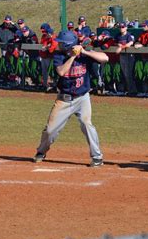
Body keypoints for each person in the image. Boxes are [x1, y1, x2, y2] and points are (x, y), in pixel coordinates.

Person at [33, 30, 109, 167]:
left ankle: (97, 157)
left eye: (62, 43)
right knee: (50, 130)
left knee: (87, 124)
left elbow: (105, 58)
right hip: (64, 99)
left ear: (69, 44)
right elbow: (61, 71)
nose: (59, 45)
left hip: (83, 98)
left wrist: (84, 52)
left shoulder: (84, 54)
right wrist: (73, 57)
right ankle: (41, 151)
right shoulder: (59, 56)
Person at [115, 22, 137, 96]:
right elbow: (115, 42)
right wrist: (118, 45)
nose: (121, 28)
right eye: (120, 27)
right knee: (124, 73)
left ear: (126, 28)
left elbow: (130, 43)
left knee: (129, 73)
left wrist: (121, 47)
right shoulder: (118, 35)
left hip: (129, 56)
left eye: (123, 27)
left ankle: (133, 91)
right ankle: (127, 90)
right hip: (122, 56)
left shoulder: (129, 35)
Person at [39, 23, 58, 91]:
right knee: (44, 72)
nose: (43, 32)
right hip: (43, 56)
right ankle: (45, 85)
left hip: (49, 57)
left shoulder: (53, 37)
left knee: (51, 72)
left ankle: (54, 85)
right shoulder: (44, 36)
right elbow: (42, 44)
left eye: (44, 31)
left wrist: (47, 47)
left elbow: (52, 48)